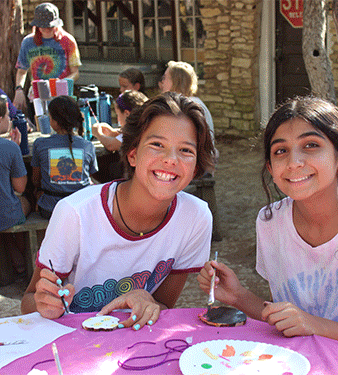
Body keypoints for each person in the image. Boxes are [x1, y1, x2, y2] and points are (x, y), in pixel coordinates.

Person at [21, 92, 215, 330]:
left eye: (186, 150)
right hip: (70, 343)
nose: (170, 159)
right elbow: (29, 301)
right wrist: (46, 304)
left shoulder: (195, 219)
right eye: (157, 144)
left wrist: (148, 301)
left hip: (132, 344)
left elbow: (163, 305)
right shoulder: (75, 214)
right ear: (132, 154)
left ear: (196, 167)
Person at [198, 96, 338, 350]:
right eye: (281, 151)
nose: (293, 162)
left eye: (311, 145)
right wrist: (237, 295)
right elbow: (287, 320)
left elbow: (307, 323)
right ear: (271, 168)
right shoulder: (270, 221)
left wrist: (317, 325)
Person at [31, 96, 98, 219]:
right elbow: (92, 176)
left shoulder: (40, 144)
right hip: (80, 209)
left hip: (50, 210)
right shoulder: (88, 146)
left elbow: (35, 180)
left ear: (54, 122)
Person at [13, 2, 81, 113]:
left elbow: (75, 73)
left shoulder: (68, 41)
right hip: (37, 98)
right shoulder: (28, 42)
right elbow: (21, 71)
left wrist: (60, 83)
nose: (46, 29)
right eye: (43, 27)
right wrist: (19, 90)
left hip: (62, 99)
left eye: (50, 27)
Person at [0, 95, 31, 277]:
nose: (10, 120)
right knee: (23, 201)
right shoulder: (9, 148)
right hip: (5, 215)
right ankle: (22, 263)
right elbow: (20, 187)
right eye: (7, 116)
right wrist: (16, 151)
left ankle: (14, 256)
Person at [159, 61, 215, 143]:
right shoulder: (188, 102)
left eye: (165, 78)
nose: (162, 82)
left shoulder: (187, 106)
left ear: (176, 81)